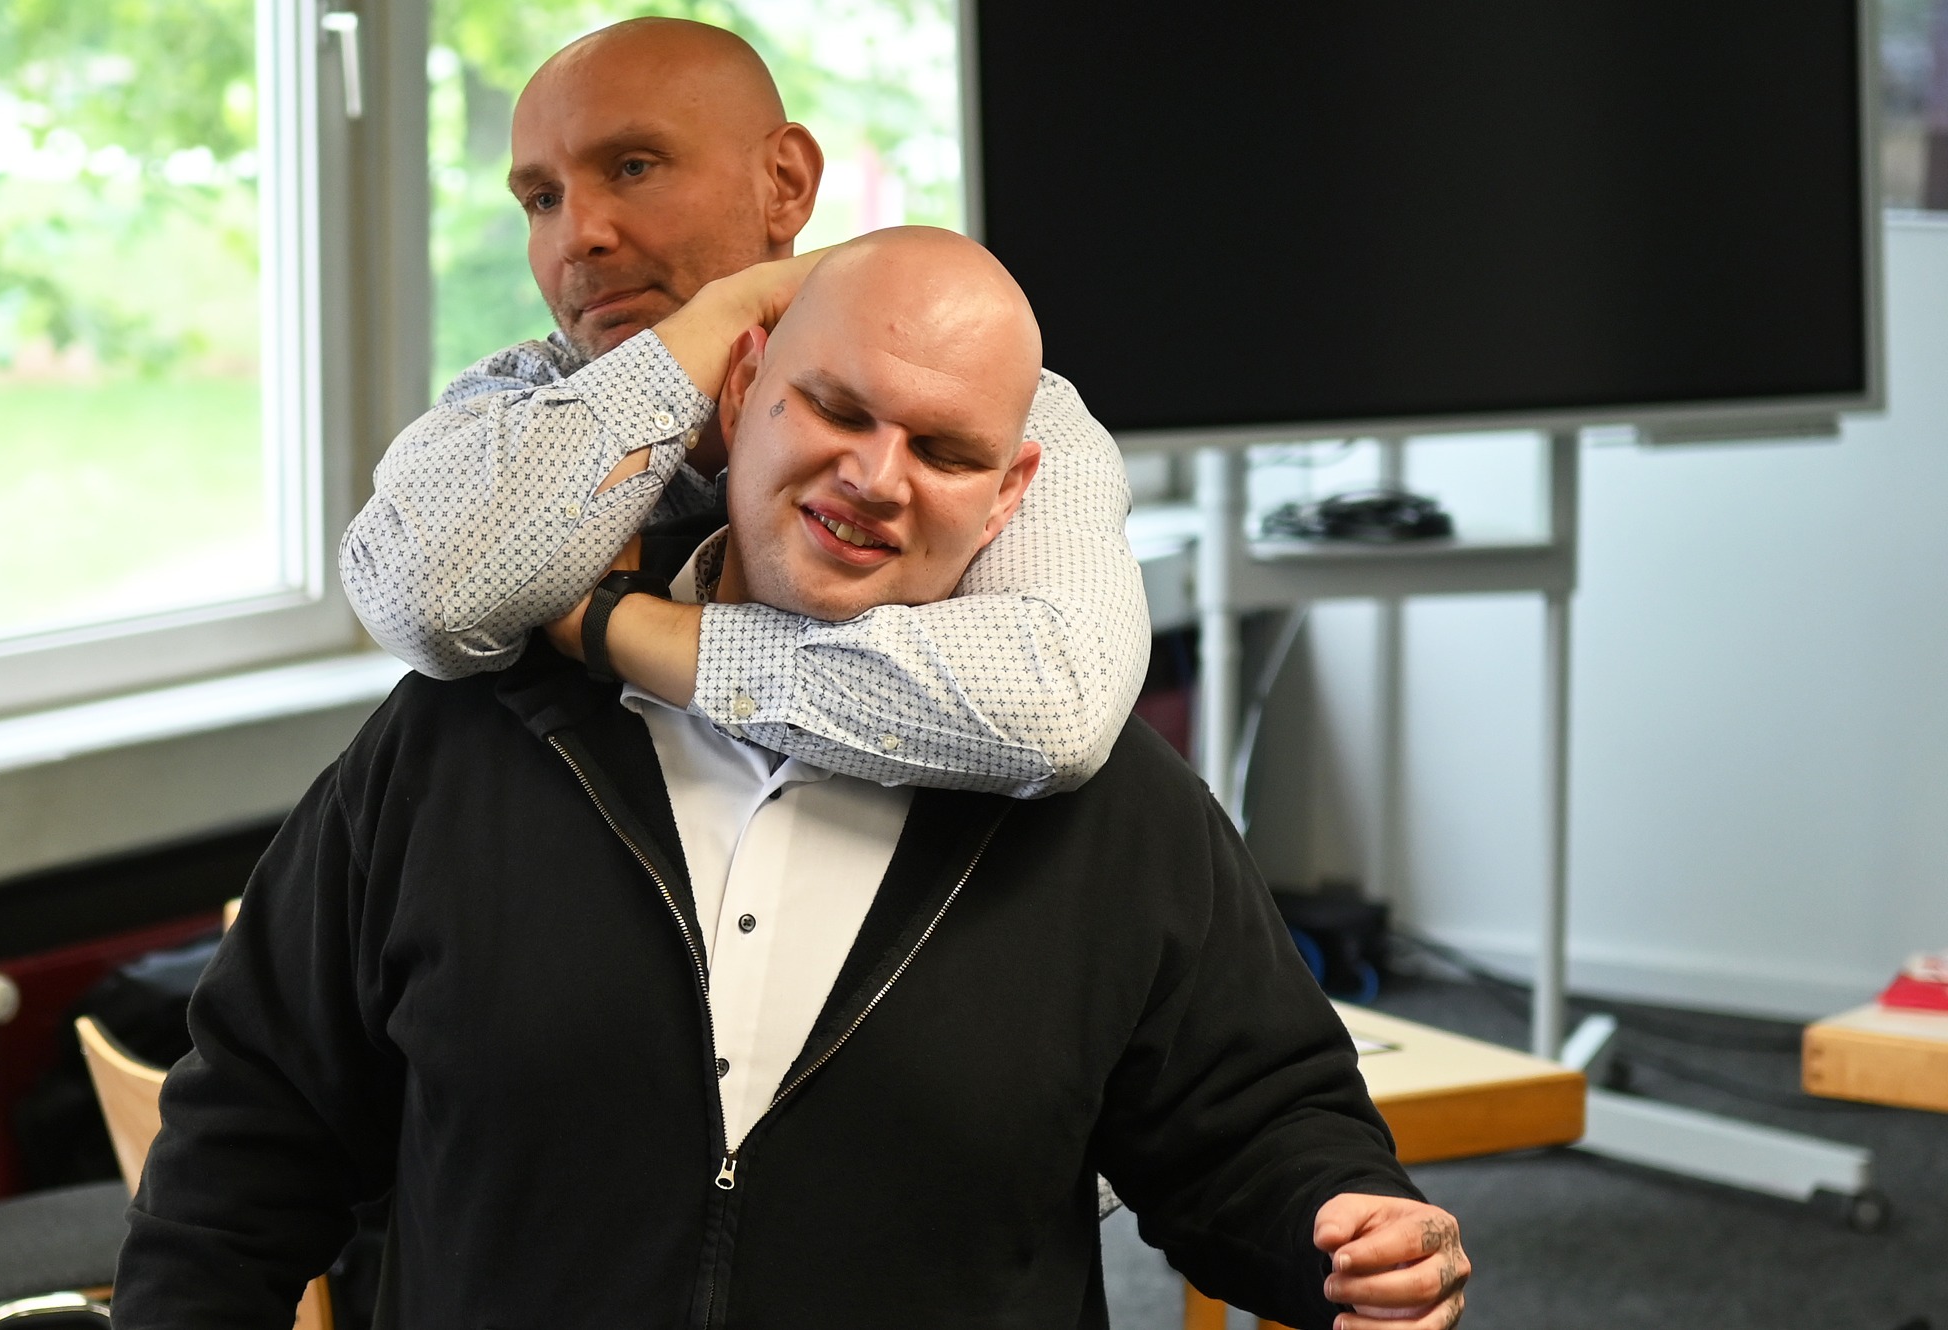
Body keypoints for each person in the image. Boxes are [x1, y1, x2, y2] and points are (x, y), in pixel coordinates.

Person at [115, 229, 1468, 1330]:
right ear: (741, 387)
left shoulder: (1108, 804)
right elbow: (253, 1128)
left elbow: (1255, 1119)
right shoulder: (459, 744)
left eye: (943, 451)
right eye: (837, 408)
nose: (875, 477)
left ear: (1009, 494)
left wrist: (1343, 1227)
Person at [339, 17, 1149, 799]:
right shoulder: (520, 403)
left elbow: (1054, 706)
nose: (577, 235)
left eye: (633, 167)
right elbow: (425, 602)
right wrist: (728, 311)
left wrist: (612, 627)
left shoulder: (986, 416)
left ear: (784, 183)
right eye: (543, 199)